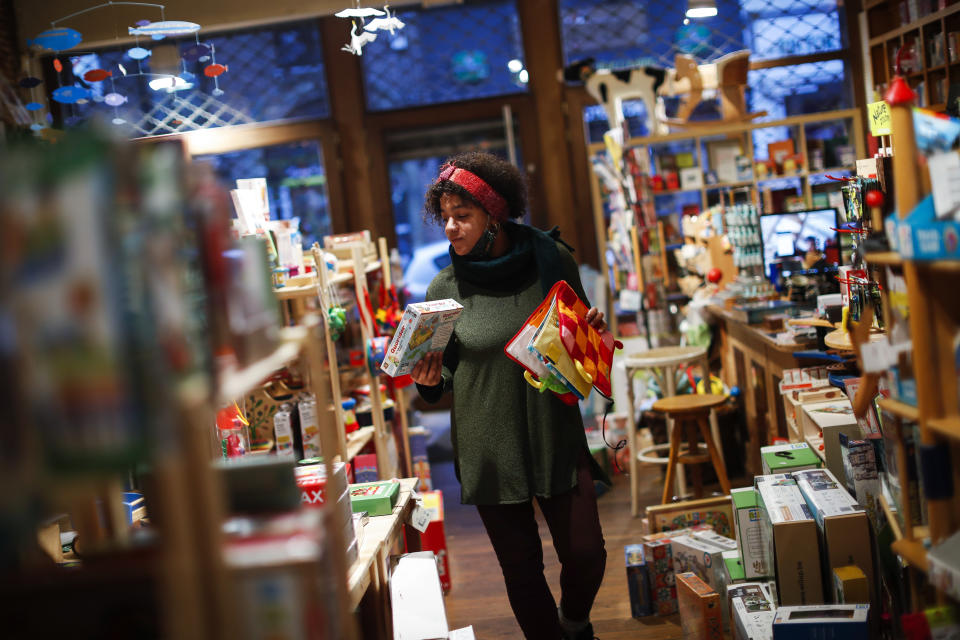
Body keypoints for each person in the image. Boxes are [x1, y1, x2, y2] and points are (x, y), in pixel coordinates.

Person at [410, 151, 609, 640]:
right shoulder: (446, 285)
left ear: (494, 216)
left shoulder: (551, 260)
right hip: (487, 443)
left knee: (587, 552)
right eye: (446, 218)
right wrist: (428, 381)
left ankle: (574, 624)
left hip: (553, 430)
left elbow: (580, 340)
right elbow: (434, 384)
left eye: (464, 216)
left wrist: (590, 332)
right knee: (522, 570)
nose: (452, 228)